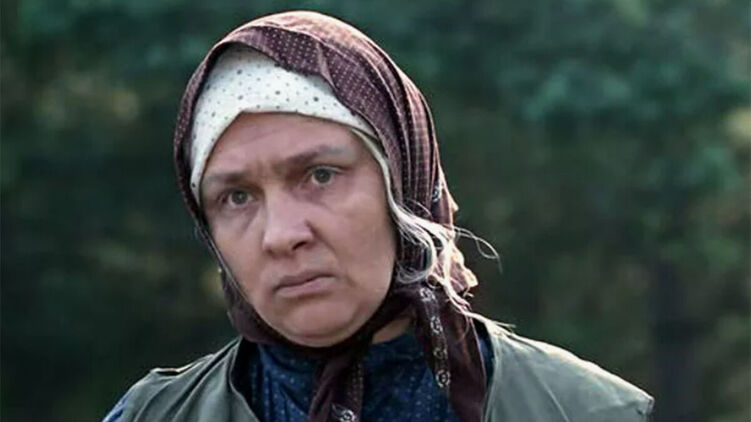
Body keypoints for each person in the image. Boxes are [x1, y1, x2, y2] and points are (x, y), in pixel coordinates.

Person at [103, 10, 653, 422]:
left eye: (320, 175)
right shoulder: (153, 416)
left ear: (404, 182)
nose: (282, 235)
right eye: (237, 197)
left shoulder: (585, 412)